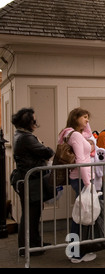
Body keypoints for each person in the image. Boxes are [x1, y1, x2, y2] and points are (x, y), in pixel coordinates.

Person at [10, 108, 55, 257]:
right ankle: (27, 247)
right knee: (31, 214)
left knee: (32, 214)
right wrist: (44, 146)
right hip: (31, 180)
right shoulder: (26, 137)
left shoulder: (20, 135)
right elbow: (47, 152)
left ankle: (34, 244)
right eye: (34, 121)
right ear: (28, 122)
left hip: (29, 179)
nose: (36, 124)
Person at [58, 107, 97, 263]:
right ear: (76, 118)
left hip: (81, 178)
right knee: (81, 217)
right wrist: (88, 183)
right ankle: (75, 253)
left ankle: (78, 251)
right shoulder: (75, 136)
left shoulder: (72, 134)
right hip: (82, 179)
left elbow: (89, 136)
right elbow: (80, 160)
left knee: (81, 216)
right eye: (85, 117)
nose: (87, 120)